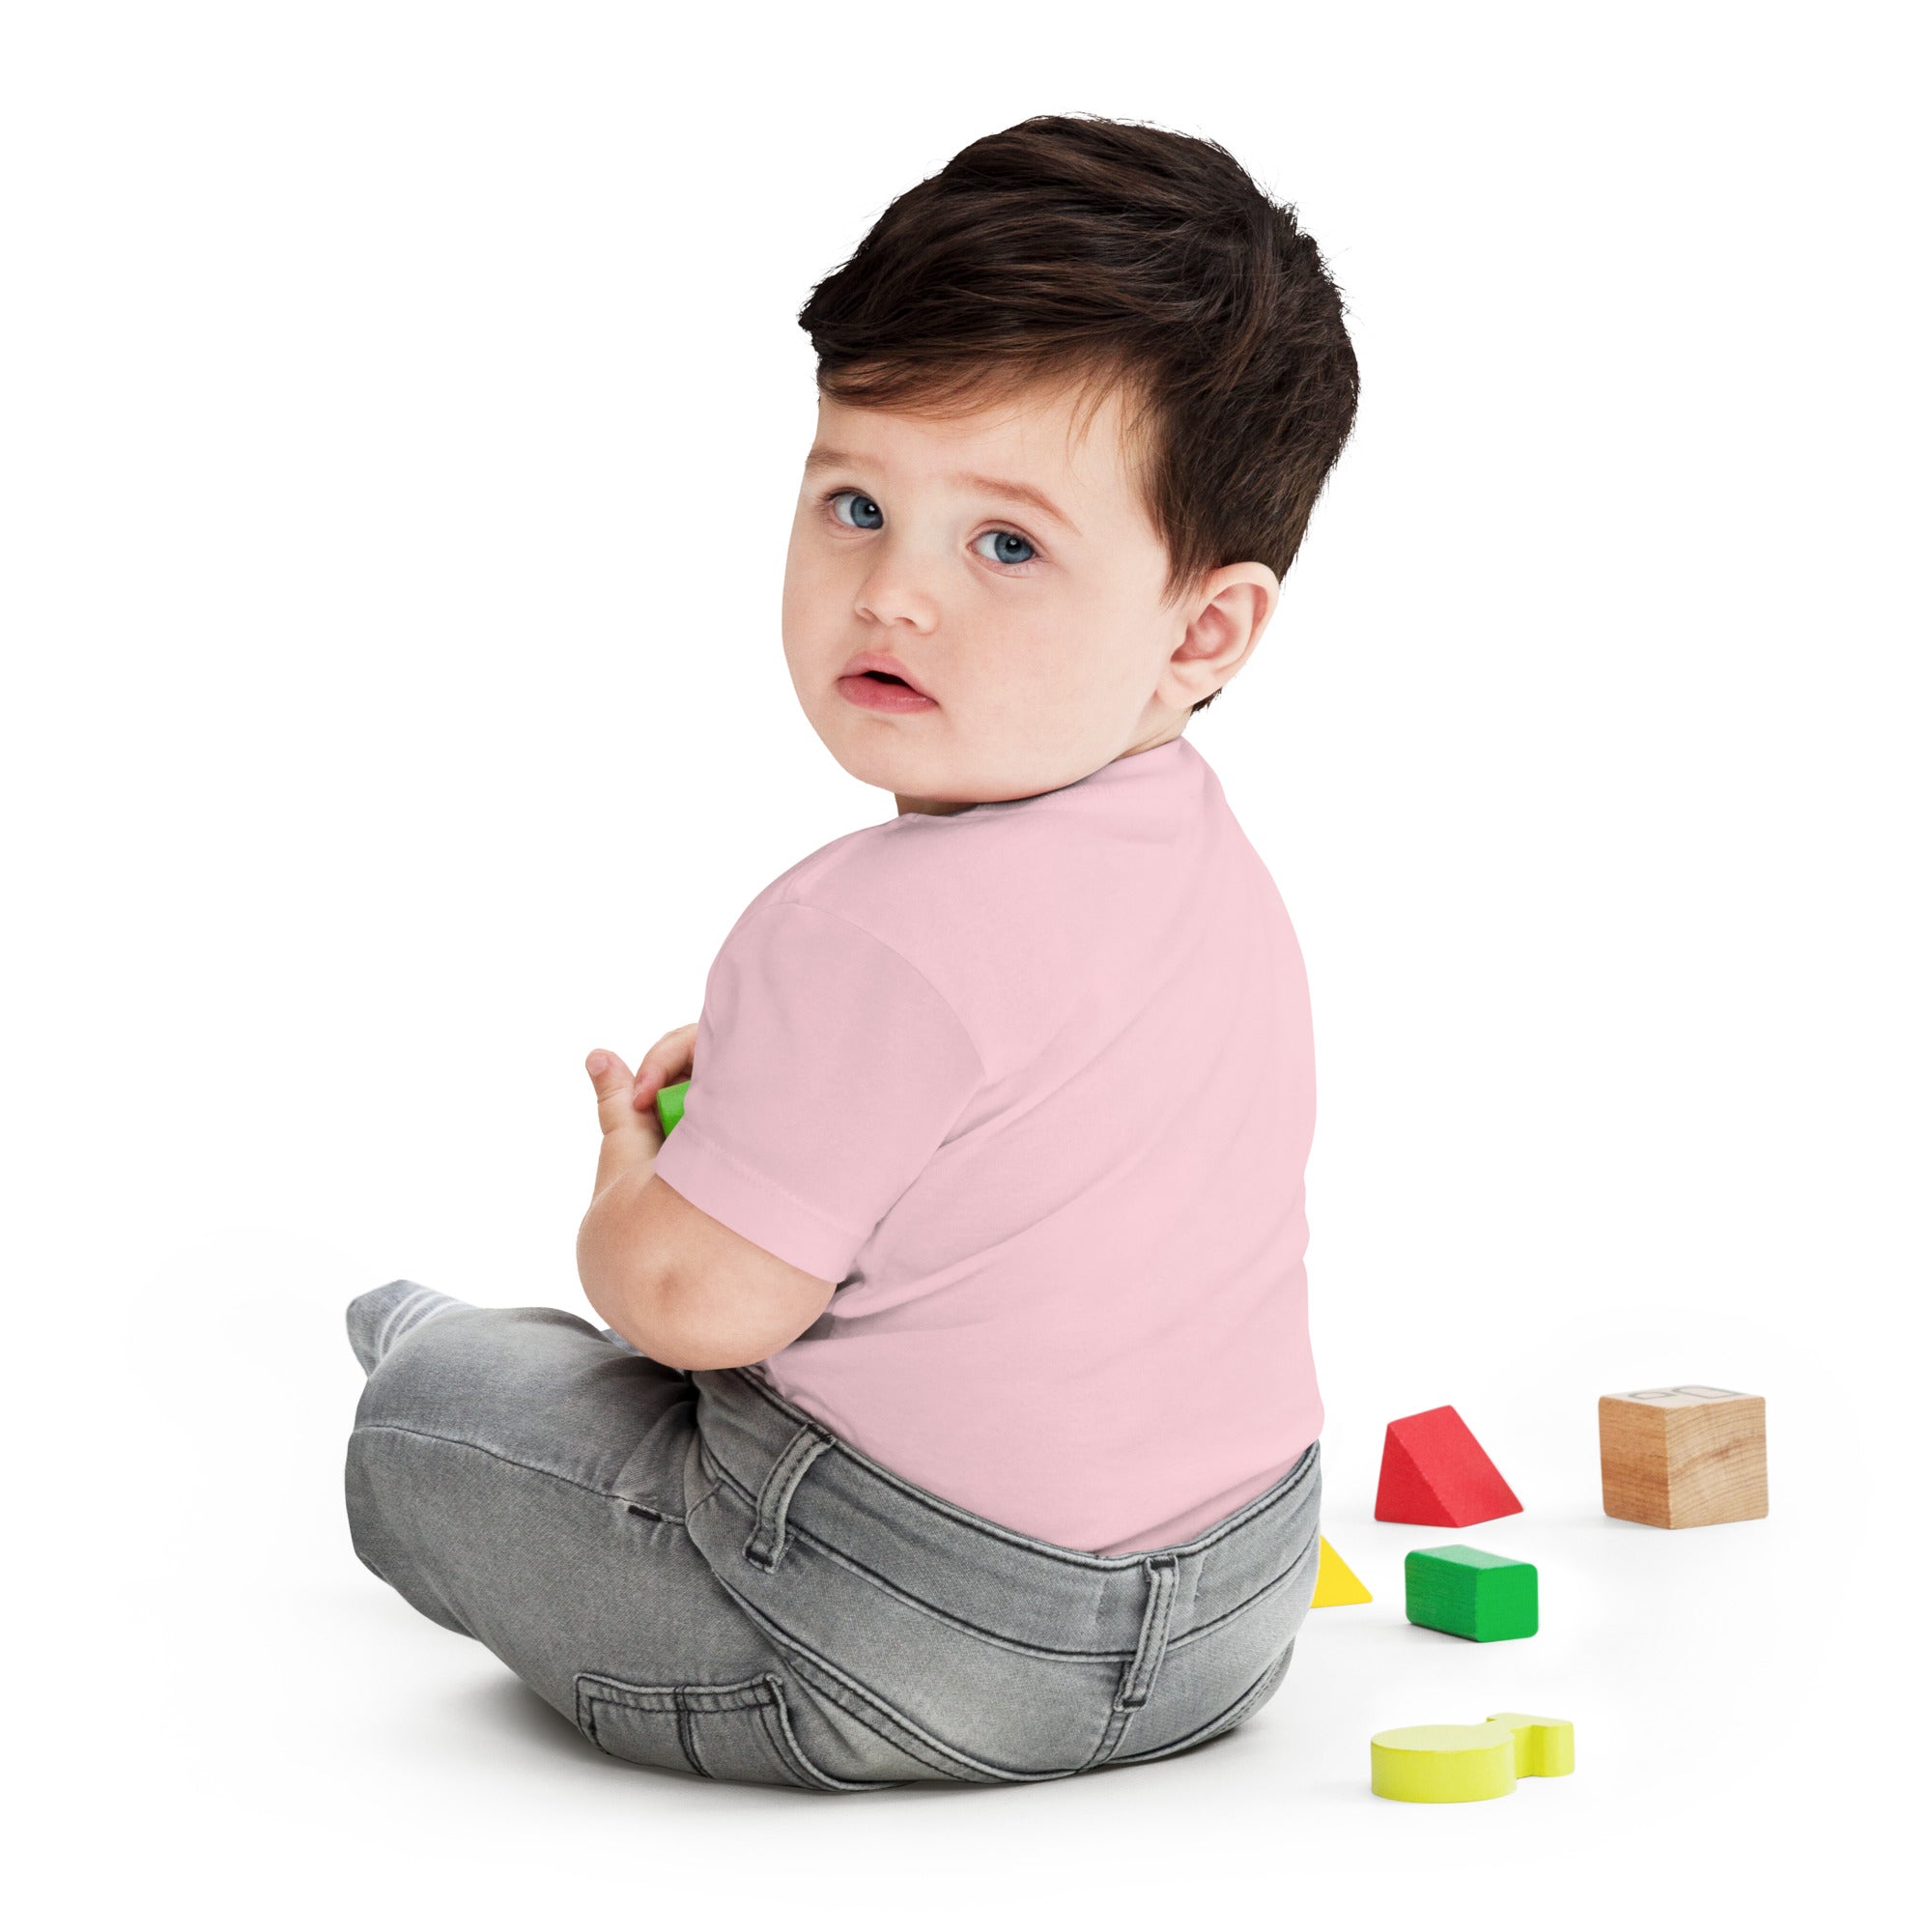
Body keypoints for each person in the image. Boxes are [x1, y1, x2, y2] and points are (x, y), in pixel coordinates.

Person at [345, 113, 1358, 1791]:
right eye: (856, 502)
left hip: (907, 1635)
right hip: (1239, 1607)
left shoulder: (851, 929)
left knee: (443, 1427)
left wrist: (630, 1203)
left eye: (1006, 545)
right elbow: (1020, 1143)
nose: (891, 593)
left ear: (1201, 630)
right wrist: (780, 1102)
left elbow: (694, 1311)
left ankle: (427, 1346)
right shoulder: (1202, 854)